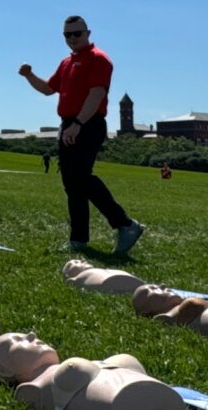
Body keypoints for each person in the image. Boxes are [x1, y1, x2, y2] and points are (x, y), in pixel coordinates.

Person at [17, 14, 144, 258]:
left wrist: (77, 123)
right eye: (67, 34)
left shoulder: (99, 59)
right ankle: (78, 240)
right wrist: (29, 76)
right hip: (69, 124)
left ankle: (125, 225)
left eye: (77, 33)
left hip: (87, 123)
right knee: (72, 184)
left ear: (88, 33)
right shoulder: (67, 62)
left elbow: (96, 95)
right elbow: (47, 89)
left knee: (81, 178)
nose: (72, 38)